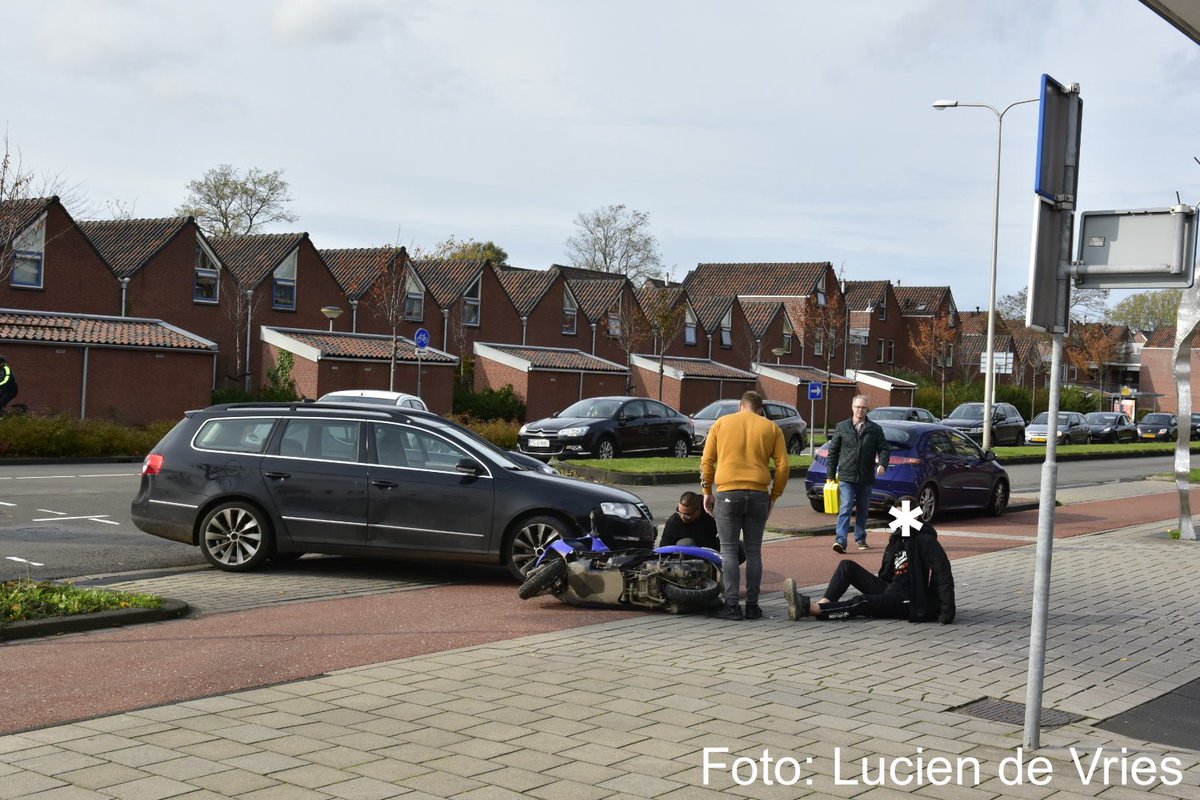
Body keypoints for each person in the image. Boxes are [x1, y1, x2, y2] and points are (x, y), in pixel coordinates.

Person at [700, 390, 789, 621]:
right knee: (754, 551)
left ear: (740, 406)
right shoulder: (771, 428)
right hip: (759, 493)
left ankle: (731, 605)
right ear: (760, 410)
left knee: (728, 550)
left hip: (728, 492)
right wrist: (774, 496)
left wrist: (706, 491)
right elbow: (783, 467)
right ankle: (752, 605)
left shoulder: (721, 424)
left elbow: (706, 461)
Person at [783, 519, 955, 624]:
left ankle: (808, 608)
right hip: (890, 589)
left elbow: (943, 573)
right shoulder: (898, 538)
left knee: (862, 602)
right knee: (847, 566)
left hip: (908, 600)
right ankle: (824, 603)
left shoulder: (926, 540)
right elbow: (886, 572)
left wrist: (947, 611)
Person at [825, 394, 890, 553]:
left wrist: (882, 464)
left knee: (862, 509)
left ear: (867, 409)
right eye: (857, 407)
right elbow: (833, 452)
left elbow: (884, 449)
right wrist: (830, 475)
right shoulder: (842, 427)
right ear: (852, 407)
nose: (860, 410)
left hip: (866, 476)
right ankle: (840, 541)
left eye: (863, 407)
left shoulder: (874, 429)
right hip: (847, 475)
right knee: (846, 507)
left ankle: (860, 538)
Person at [659, 491, 745, 563]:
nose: (683, 517)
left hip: (711, 549)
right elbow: (664, 548)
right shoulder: (674, 522)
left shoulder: (712, 512)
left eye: (687, 515)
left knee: (740, 548)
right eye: (680, 512)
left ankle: (726, 572)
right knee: (685, 543)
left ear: (699, 509)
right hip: (689, 555)